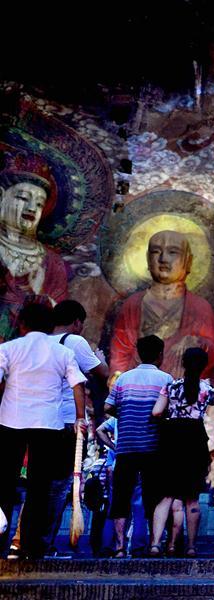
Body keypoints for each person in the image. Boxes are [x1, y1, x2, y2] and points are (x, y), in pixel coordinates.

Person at [0, 303, 87, 558]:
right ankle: (31, 545)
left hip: (10, 422)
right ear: (50, 326)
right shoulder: (62, 352)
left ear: (23, 324)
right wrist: (80, 417)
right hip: (48, 425)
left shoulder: (9, 348)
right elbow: (78, 385)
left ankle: (2, 544)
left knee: (4, 484)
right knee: (39, 488)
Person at [42, 300, 109, 552]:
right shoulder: (74, 341)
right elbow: (102, 373)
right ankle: (46, 542)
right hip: (67, 421)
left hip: (38, 420)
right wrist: (101, 359)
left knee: (39, 483)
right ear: (77, 322)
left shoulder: (40, 341)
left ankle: (26, 539)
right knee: (60, 483)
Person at [109, 230, 214, 381]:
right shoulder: (133, 304)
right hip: (139, 384)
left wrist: (198, 343)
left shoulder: (200, 307)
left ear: (188, 261)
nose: (163, 259)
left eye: (173, 252)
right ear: (148, 259)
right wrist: (117, 376)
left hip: (180, 387)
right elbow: (120, 352)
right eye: (155, 252)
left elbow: (212, 356)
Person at [103, 334, 171, 557]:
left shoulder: (123, 379)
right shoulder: (166, 379)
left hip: (126, 447)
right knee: (153, 497)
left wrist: (124, 414)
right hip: (154, 447)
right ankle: (153, 543)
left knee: (121, 496)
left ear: (138, 353)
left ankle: (120, 547)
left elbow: (108, 407)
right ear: (160, 354)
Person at [149, 347, 214, 557]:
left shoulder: (170, 386)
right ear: (203, 365)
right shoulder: (207, 389)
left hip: (172, 439)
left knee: (166, 495)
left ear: (183, 363)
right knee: (192, 497)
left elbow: (157, 411)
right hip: (195, 440)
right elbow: (212, 402)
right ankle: (192, 547)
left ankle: (156, 544)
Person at [0, 152, 68, 341]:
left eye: (39, 204)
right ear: (1, 197)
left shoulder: (52, 262)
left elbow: (59, 316)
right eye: (23, 198)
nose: (31, 208)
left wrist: (39, 299)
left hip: (28, 352)